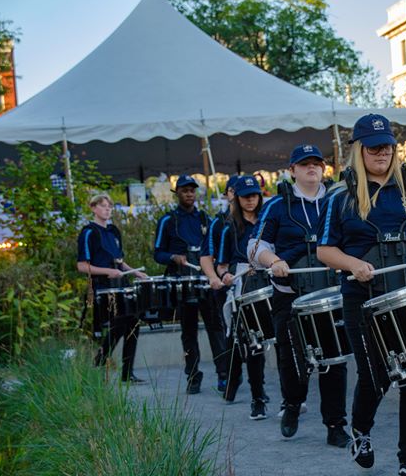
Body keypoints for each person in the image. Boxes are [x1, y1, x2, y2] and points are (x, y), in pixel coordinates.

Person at [317, 114, 406, 476]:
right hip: (363, 299)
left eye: (386, 145)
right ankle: (361, 432)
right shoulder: (341, 195)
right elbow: (325, 250)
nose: (381, 152)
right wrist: (353, 264)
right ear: (359, 151)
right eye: (373, 147)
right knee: (375, 374)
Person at [248, 144, 350, 447]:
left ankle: (335, 425)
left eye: (316, 164)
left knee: (334, 360)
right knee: (292, 360)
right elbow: (255, 247)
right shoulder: (277, 205)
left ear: (323, 168)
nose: (311, 169)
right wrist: (274, 262)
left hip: (331, 295)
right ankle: (292, 405)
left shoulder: (338, 201)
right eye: (304, 164)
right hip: (289, 297)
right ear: (292, 170)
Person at [153, 175, 229, 395]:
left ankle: (223, 374)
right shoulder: (167, 220)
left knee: (216, 327)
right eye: (184, 190)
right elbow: (158, 253)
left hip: (205, 279)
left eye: (192, 191)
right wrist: (173, 257)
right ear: (176, 193)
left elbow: (214, 247)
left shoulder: (205, 218)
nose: (189, 194)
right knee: (189, 331)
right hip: (182, 281)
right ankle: (193, 375)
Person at [77, 193, 148, 383]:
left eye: (109, 206)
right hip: (103, 287)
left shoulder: (114, 232)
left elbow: (120, 263)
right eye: (102, 206)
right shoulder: (88, 232)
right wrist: (107, 271)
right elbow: (82, 266)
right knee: (120, 323)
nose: (107, 209)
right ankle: (99, 360)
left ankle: (127, 373)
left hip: (121, 285)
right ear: (93, 208)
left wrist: (135, 272)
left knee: (133, 323)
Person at [216, 175, 268, 420]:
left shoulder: (267, 222)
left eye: (254, 195)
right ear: (237, 199)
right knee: (249, 342)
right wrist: (225, 275)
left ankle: (235, 384)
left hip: (267, 280)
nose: (251, 200)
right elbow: (221, 264)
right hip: (242, 284)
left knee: (252, 341)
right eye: (246, 196)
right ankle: (257, 399)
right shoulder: (229, 227)